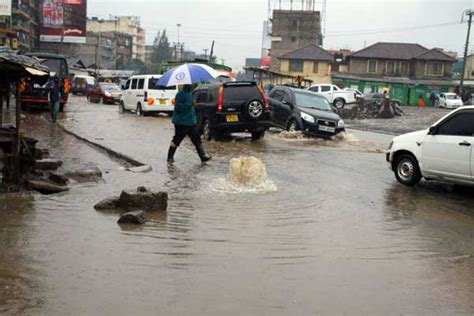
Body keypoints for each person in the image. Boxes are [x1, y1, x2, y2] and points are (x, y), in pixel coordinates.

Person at [167, 84, 211, 164]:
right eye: (190, 85)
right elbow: (178, 108)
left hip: (190, 122)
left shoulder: (190, 94)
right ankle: (170, 157)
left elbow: (191, 107)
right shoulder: (180, 94)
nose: (191, 86)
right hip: (181, 123)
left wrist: (193, 105)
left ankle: (203, 156)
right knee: (177, 140)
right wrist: (190, 104)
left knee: (197, 139)